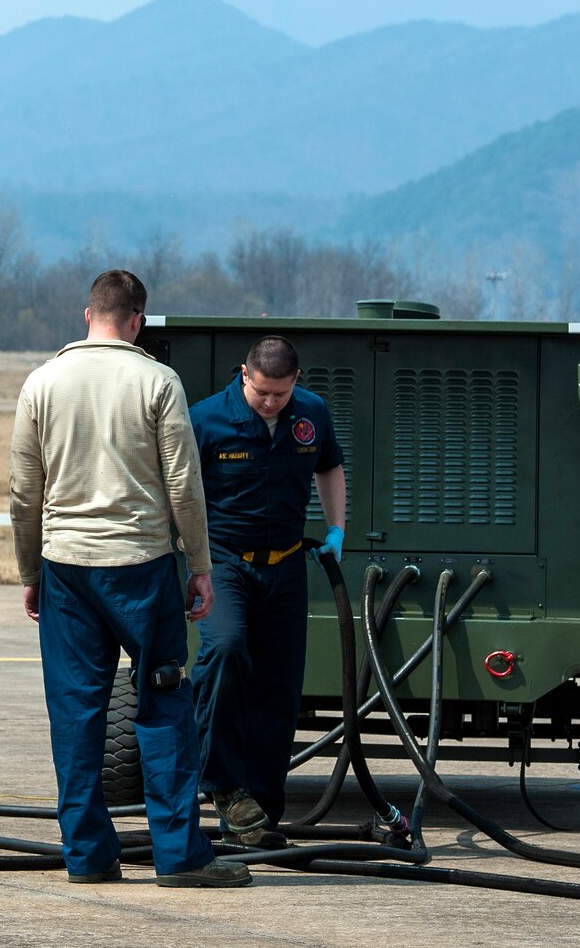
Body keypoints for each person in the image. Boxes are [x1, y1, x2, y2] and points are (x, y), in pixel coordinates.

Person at [9, 270, 250, 888]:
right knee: (164, 706)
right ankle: (180, 855)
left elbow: (23, 495)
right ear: (138, 321)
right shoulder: (157, 381)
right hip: (141, 569)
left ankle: (87, 857)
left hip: (66, 569)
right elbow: (184, 487)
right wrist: (200, 567)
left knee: (76, 714)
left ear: (86, 314)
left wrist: (30, 570)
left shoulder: (42, 382)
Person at [188, 335, 345, 847]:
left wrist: (336, 529)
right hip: (225, 561)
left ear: (296, 382)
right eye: (261, 393)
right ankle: (222, 783)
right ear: (243, 375)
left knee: (279, 685)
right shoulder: (207, 419)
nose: (270, 402)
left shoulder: (312, 414)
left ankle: (261, 813)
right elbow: (179, 487)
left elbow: (329, 466)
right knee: (226, 650)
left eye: (280, 394)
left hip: (286, 565)